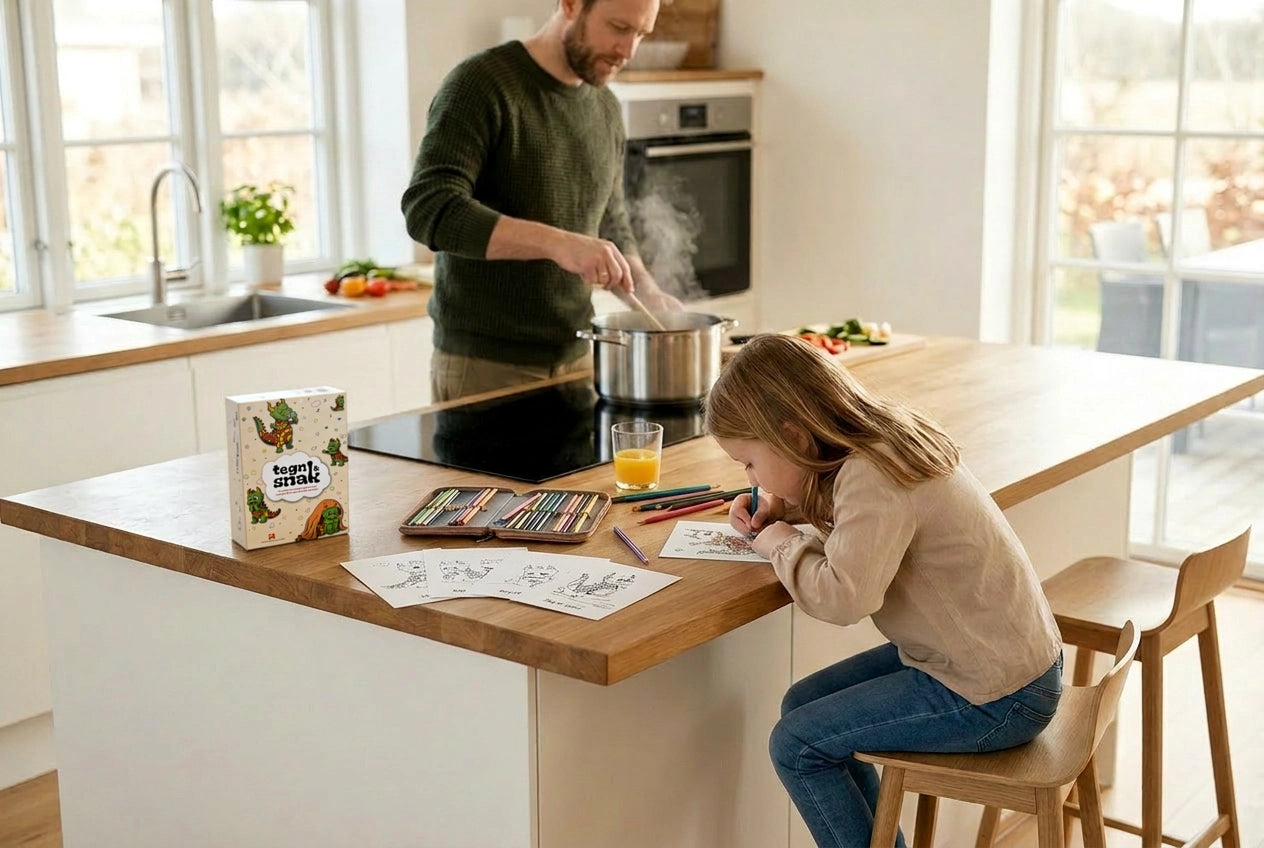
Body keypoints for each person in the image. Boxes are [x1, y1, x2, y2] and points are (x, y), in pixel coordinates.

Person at [703, 334, 1064, 848]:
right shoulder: (883, 440)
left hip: (996, 695)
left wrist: (778, 542)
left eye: (749, 463)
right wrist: (788, 508)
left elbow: (845, 597)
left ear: (793, 437)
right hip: (1009, 665)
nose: (750, 477)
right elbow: (870, 521)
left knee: (797, 745)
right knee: (802, 706)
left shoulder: (871, 475)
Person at [400, 0, 683, 402]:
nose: (629, 50)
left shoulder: (605, 108)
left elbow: (610, 221)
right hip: (485, 367)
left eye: (641, 33)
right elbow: (430, 208)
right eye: (619, 27)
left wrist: (648, 293)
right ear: (570, 4)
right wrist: (559, 244)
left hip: (579, 361)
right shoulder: (480, 84)